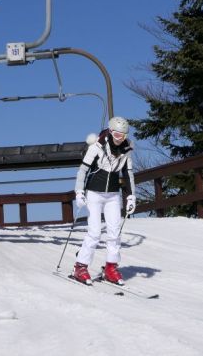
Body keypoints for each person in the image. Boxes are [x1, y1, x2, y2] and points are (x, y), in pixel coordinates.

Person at [72, 116, 136, 286]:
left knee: (114, 232)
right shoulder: (97, 145)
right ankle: (80, 266)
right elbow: (83, 170)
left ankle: (111, 267)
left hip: (113, 195)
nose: (118, 138)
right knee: (94, 232)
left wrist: (131, 196)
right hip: (94, 193)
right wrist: (79, 192)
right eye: (115, 134)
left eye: (122, 135)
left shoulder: (127, 149)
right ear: (109, 131)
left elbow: (128, 174)